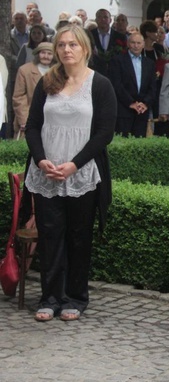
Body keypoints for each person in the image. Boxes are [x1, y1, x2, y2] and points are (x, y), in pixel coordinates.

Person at [24, 25, 116, 322]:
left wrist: (75, 164)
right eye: (62, 44)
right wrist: (40, 161)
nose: (66, 50)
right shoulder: (47, 81)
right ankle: (50, 297)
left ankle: (75, 297)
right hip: (47, 174)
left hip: (81, 173)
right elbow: (33, 124)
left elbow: (104, 133)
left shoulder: (100, 85)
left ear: (84, 49)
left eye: (72, 45)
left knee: (79, 237)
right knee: (50, 236)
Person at [110, 33, 156, 137]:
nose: (136, 45)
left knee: (140, 144)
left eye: (139, 43)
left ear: (143, 44)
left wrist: (145, 103)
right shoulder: (118, 60)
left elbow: (152, 87)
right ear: (128, 44)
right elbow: (117, 85)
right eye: (133, 42)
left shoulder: (149, 63)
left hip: (142, 111)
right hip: (124, 110)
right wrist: (131, 103)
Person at [13, 43, 54, 139]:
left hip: (51, 119)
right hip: (29, 118)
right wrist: (24, 120)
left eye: (49, 53)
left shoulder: (58, 71)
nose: (46, 56)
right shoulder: (24, 70)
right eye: (43, 53)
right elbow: (19, 97)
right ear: (37, 54)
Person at [88, 9, 127, 81]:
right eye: (99, 17)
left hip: (114, 73)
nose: (102, 19)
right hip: (94, 72)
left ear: (110, 20)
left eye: (105, 17)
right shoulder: (90, 35)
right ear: (96, 20)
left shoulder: (120, 36)